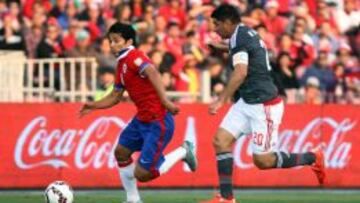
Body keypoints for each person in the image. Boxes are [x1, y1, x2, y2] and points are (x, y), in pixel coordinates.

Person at [201, 4, 325, 203]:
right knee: (220, 141)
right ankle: (226, 198)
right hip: (247, 102)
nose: (214, 30)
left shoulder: (239, 37)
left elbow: (240, 72)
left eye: (217, 25)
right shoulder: (242, 34)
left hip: (264, 106)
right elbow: (247, 51)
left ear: (227, 22)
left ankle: (313, 157)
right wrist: (222, 48)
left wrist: (220, 100)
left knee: (263, 161)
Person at [79, 22, 197, 203]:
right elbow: (115, 96)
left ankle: (183, 152)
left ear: (128, 41)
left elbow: (153, 72)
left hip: (158, 120)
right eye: (110, 41)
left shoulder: (135, 56)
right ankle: (133, 200)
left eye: (116, 41)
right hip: (141, 119)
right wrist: (93, 105)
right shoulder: (121, 64)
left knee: (142, 174)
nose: (111, 45)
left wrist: (165, 101)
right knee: (121, 152)